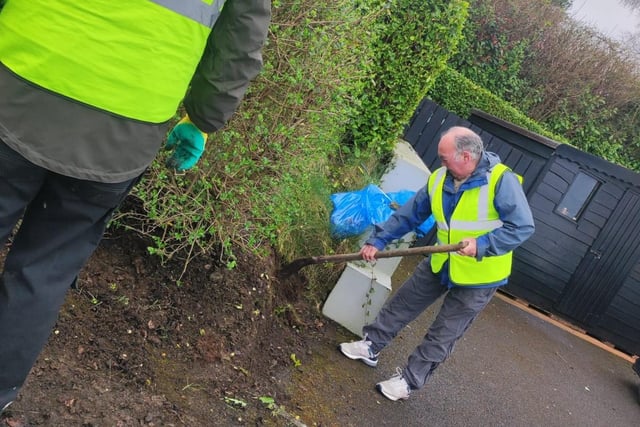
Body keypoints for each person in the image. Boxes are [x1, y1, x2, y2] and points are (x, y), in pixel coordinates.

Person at [0, 0, 271, 413]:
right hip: (123, 133)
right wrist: (200, 121)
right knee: (42, 273)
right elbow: (240, 41)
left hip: (19, 82)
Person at [339, 126, 535, 401]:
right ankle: (371, 346)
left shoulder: (502, 181)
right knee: (403, 304)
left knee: (444, 332)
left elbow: (523, 227)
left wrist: (482, 244)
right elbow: (410, 214)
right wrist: (379, 240)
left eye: (444, 158)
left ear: (466, 156)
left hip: (480, 276)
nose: (440, 163)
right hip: (442, 261)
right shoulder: (441, 178)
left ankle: (408, 381)